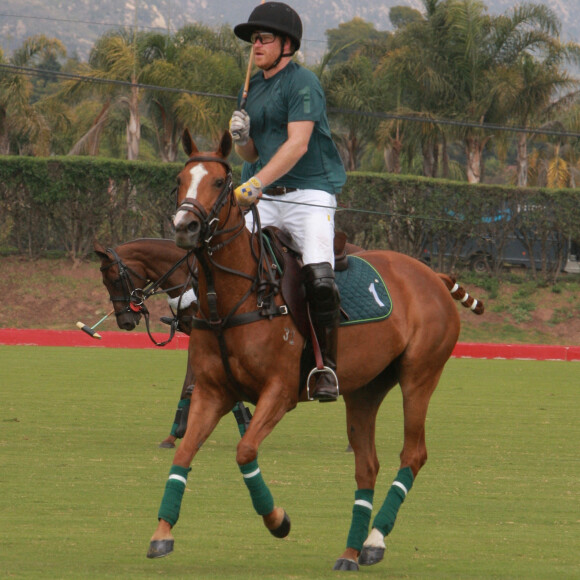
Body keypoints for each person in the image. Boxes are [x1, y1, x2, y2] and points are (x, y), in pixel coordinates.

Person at [229, 1, 347, 402]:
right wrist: (242, 140)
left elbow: (297, 145)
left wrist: (256, 181)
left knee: (318, 274)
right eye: (253, 40)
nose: (255, 45)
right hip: (262, 193)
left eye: (263, 38)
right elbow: (251, 155)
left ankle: (325, 367)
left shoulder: (303, 83)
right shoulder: (250, 88)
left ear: (287, 44)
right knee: (225, 258)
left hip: (309, 193)